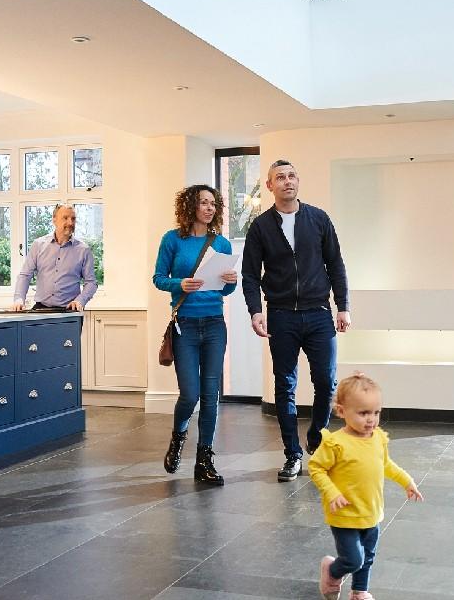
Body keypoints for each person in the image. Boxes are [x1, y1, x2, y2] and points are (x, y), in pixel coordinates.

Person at [242, 159, 351, 482]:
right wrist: (255, 310)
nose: (287, 181)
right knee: (285, 386)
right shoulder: (261, 227)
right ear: (270, 186)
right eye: (280, 177)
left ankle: (317, 438)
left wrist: (342, 306)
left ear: (298, 181)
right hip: (281, 316)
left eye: (291, 176)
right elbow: (250, 274)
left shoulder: (318, 219)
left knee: (326, 382)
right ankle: (292, 454)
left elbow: (336, 264)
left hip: (318, 313)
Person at [309, 373, 423, 600]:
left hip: (371, 511)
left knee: (367, 557)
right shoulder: (335, 442)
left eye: (376, 412)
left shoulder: (377, 437)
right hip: (344, 514)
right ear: (341, 411)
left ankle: (359, 592)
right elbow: (316, 468)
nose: (371, 419)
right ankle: (332, 571)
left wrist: (406, 481)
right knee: (353, 559)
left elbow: (386, 464)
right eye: (363, 413)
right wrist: (332, 492)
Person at [153, 185, 238, 485]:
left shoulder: (222, 243)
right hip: (185, 325)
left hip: (214, 323)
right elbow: (159, 278)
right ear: (190, 206)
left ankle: (204, 459)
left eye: (213, 204)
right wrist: (181, 284)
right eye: (203, 203)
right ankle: (178, 439)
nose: (209, 208)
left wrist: (231, 281)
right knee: (190, 394)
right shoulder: (172, 239)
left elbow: (226, 289)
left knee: (210, 395)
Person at [10, 203, 97, 311]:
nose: (70, 222)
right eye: (65, 218)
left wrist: (80, 300)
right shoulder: (38, 245)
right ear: (54, 220)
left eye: (73, 219)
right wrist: (19, 299)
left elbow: (91, 282)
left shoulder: (84, 250)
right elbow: (25, 275)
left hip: (69, 310)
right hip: (41, 309)